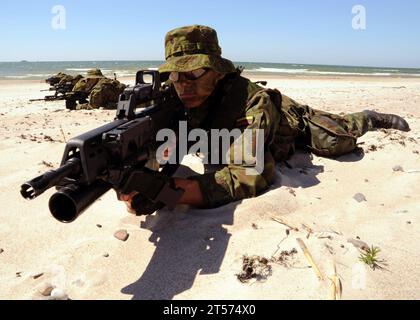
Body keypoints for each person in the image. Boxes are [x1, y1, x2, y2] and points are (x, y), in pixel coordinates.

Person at [119, 25, 410, 214]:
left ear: (218, 71)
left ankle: (369, 118)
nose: (184, 84)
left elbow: (251, 175)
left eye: (194, 73)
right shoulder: (173, 99)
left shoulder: (250, 102)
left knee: (335, 140)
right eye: (175, 75)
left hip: (289, 124)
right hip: (225, 141)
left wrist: (168, 193)